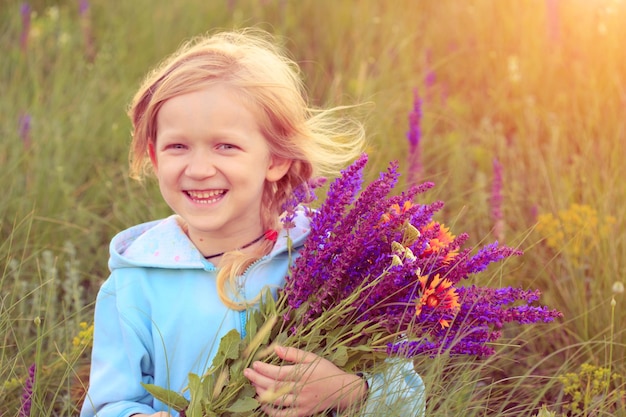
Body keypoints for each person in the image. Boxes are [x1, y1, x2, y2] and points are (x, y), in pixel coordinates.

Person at [80, 29, 425, 417]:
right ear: (155, 158)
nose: (198, 168)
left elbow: (408, 395)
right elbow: (107, 404)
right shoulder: (135, 283)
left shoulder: (331, 261)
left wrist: (350, 392)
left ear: (275, 160)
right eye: (177, 146)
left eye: (225, 146)